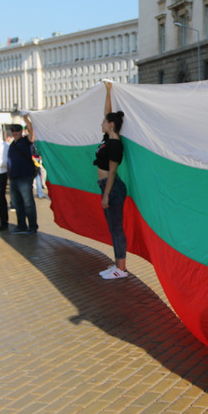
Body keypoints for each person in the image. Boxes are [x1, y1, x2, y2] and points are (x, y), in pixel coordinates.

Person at [96, 81, 131, 279]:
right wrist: (108, 91)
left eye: (104, 122)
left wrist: (106, 195)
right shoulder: (107, 139)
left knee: (116, 227)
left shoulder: (115, 145)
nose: (100, 123)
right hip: (107, 187)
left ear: (110, 125)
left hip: (112, 188)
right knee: (112, 227)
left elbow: (112, 171)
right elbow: (107, 112)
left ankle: (122, 269)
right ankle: (117, 264)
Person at [7, 118, 38, 234]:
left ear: (21, 132)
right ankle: (21, 225)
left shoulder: (26, 141)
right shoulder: (12, 145)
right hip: (14, 177)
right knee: (17, 203)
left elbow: (32, 133)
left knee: (28, 202)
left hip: (25, 177)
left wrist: (26, 119)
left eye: (17, 130)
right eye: (13, 131)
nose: (15, 133)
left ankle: (32, 226)